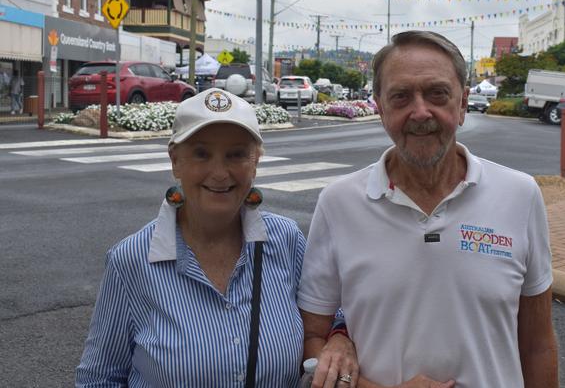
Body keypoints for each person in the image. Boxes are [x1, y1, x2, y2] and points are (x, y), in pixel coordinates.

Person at [298, 31, 558, 388]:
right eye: (401, 97)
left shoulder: (520, 195)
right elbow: (312, 340)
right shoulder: (339, 202)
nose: (420, 112)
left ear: (463, 103)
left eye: (437, 94)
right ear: (380, 106)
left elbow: (538, 346)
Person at [76, 88, 358, 387]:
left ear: (256, 162)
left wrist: (340, 340)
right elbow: (99, 379)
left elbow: (329, 316)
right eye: (201, 153)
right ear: (175, 161)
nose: (220, 172)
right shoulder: (131, 261)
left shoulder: (286, 242)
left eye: (236, 154)